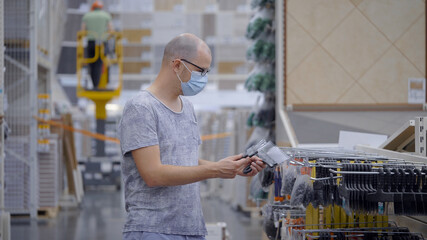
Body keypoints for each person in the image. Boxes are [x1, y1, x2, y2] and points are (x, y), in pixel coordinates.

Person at [118, 33, 266, 240]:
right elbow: (153, 174)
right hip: (153, 230)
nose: (204, 78)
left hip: (192, 229)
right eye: (201, 71)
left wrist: (227, 166)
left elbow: (181, 160)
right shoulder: (142, 108)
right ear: (177, 65)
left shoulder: (187, 107)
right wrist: (215, 170)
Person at [81, 1, 113, 89]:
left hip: (91, 43)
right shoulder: (106, 15)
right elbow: (111, 30)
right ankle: (97, 85)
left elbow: (83, 31)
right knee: (99, 63)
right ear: (101, 8)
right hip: (101, 42)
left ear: (93, 8)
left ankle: (94, 84)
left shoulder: (87, 16)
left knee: (91, 63)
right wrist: (107, 38)